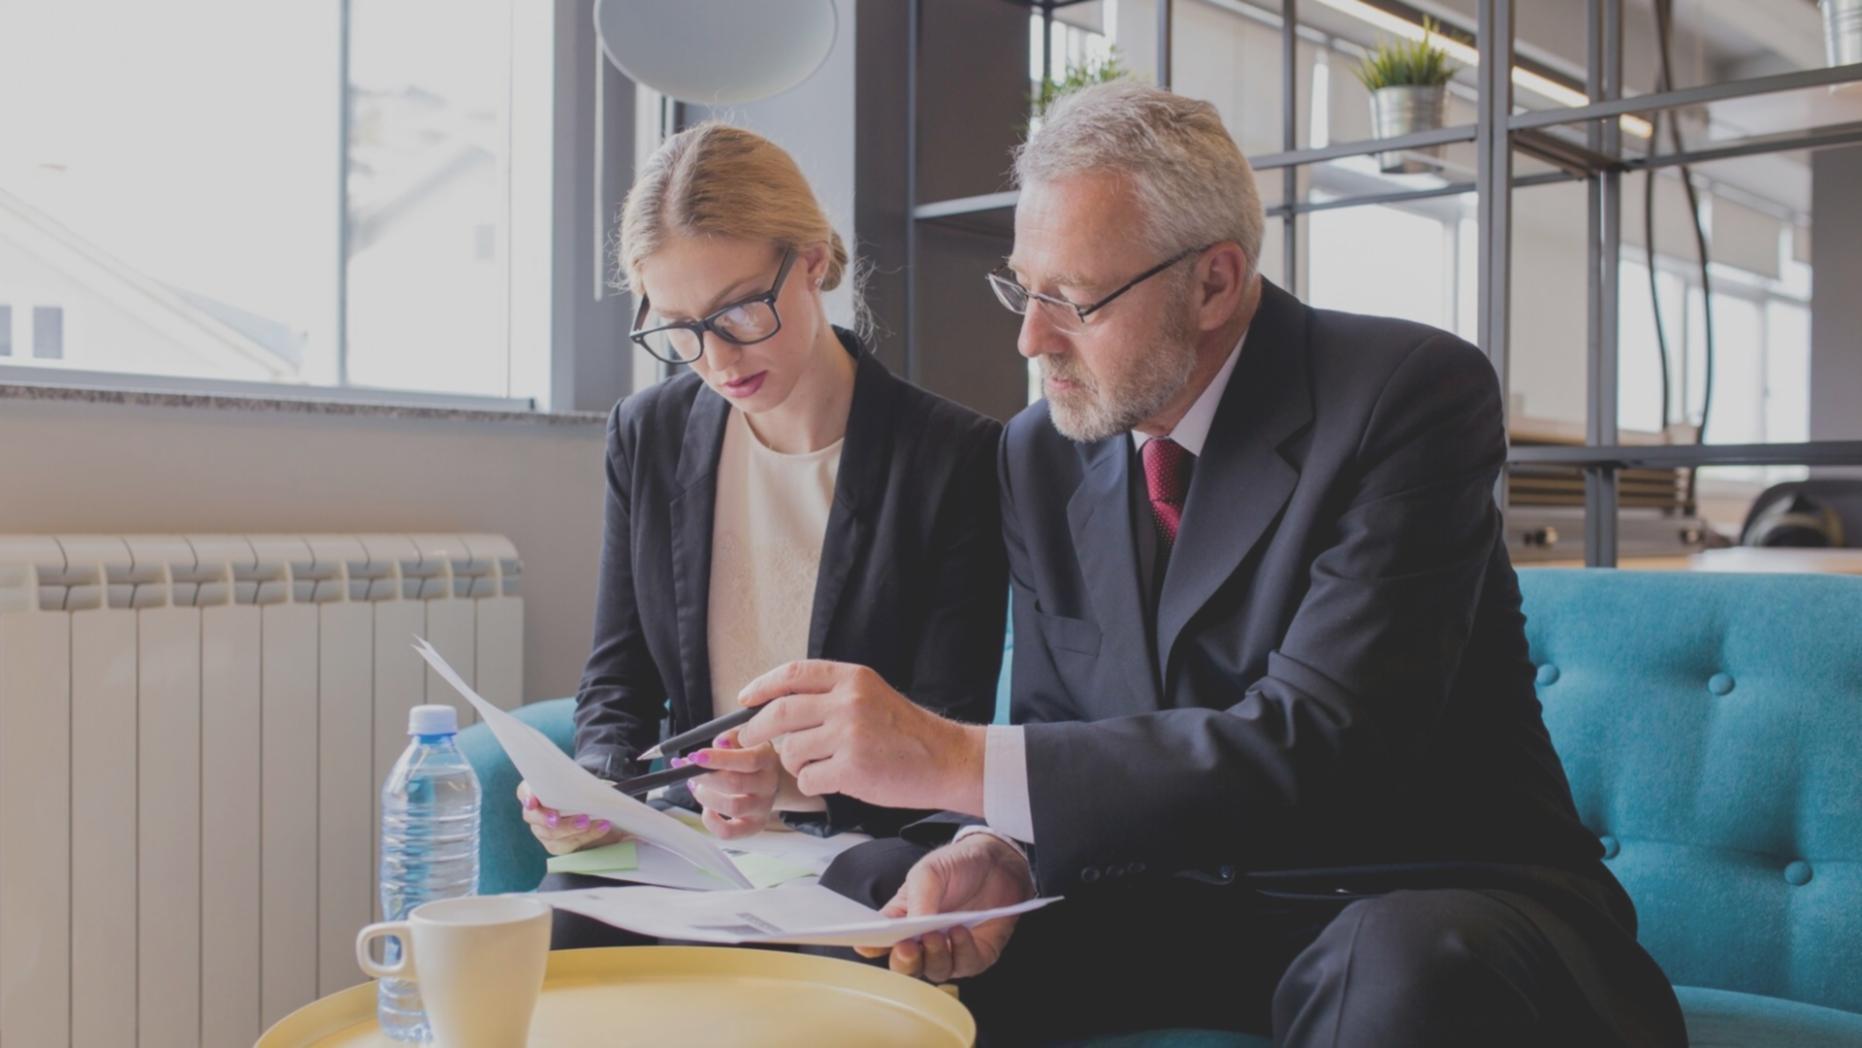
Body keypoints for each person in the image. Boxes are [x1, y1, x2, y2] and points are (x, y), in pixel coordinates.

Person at [728, 81, 1688, 1045]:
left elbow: (1324, 746)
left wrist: (947, 755)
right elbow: (1062, 730)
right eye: (1023, 289)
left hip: (1427, 897)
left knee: (1396, 966)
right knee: (868, 908)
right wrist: (999, 853)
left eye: (1074, 301)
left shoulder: (1408, 396)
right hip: (1184, 905)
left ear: (1215, 282)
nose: (1030, 339)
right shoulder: (1039, 452)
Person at [520, 122, 1007, 947]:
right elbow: (616, 681)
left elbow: (943, 725)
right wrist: (596, 790)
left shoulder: (951, 457)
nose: (715, 359)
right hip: (692, 844)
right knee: (559, 935)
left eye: (739, 309)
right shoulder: (650, 433)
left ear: (813, 260)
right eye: (677, 328)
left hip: (861, 848)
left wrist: (788, 779)